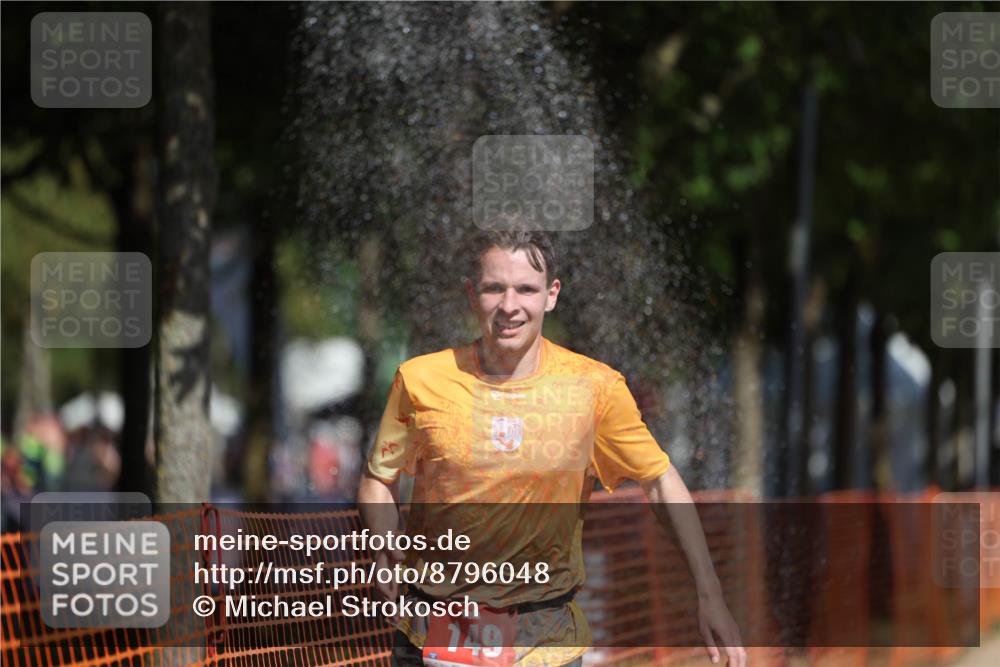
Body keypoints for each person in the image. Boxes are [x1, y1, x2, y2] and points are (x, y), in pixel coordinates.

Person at [358, 228, 746, 667]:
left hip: (544, 640)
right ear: (472, 294)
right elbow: (377, 479)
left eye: (526, 289)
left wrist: (709, 593)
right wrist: (382, 541)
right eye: (494, 288)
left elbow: (659, 482)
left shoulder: (594, 388)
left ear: (551, 294)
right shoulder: (419, 380)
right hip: (430, 629)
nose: (509, 306)